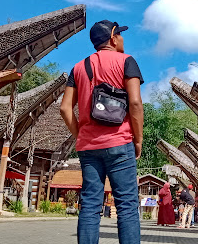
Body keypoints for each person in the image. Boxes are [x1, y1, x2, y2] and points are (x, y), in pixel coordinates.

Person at [60, 20, 144, 244]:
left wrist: (80, 135)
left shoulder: (78, 67)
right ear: (113, 38)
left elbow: (65, 108)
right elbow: (135, 103)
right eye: (121, 35)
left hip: (88, 147)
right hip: (120, 142)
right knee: (126, 205)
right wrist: (138, 139)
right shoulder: (127, 61)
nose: (123, 39)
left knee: (90, 204)